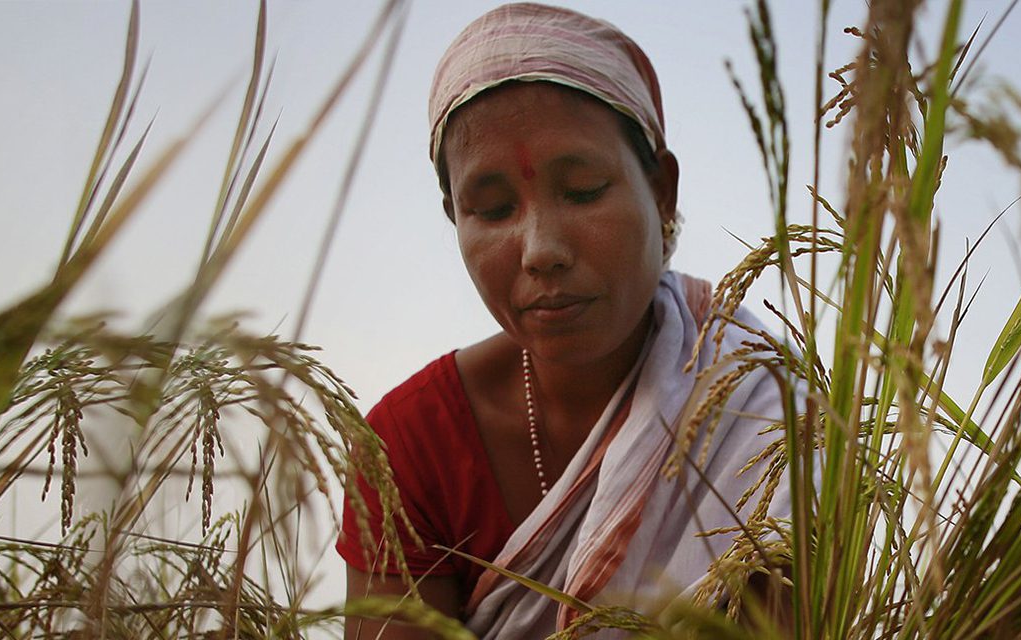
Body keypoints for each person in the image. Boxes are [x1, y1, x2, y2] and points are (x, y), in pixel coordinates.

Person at [337, 4, 789, 638]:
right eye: (492, 210)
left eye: (581, 190)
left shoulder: (760, 404)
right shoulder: (413, 447)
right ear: (454, 219)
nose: (540, 248)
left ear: (662, 189)